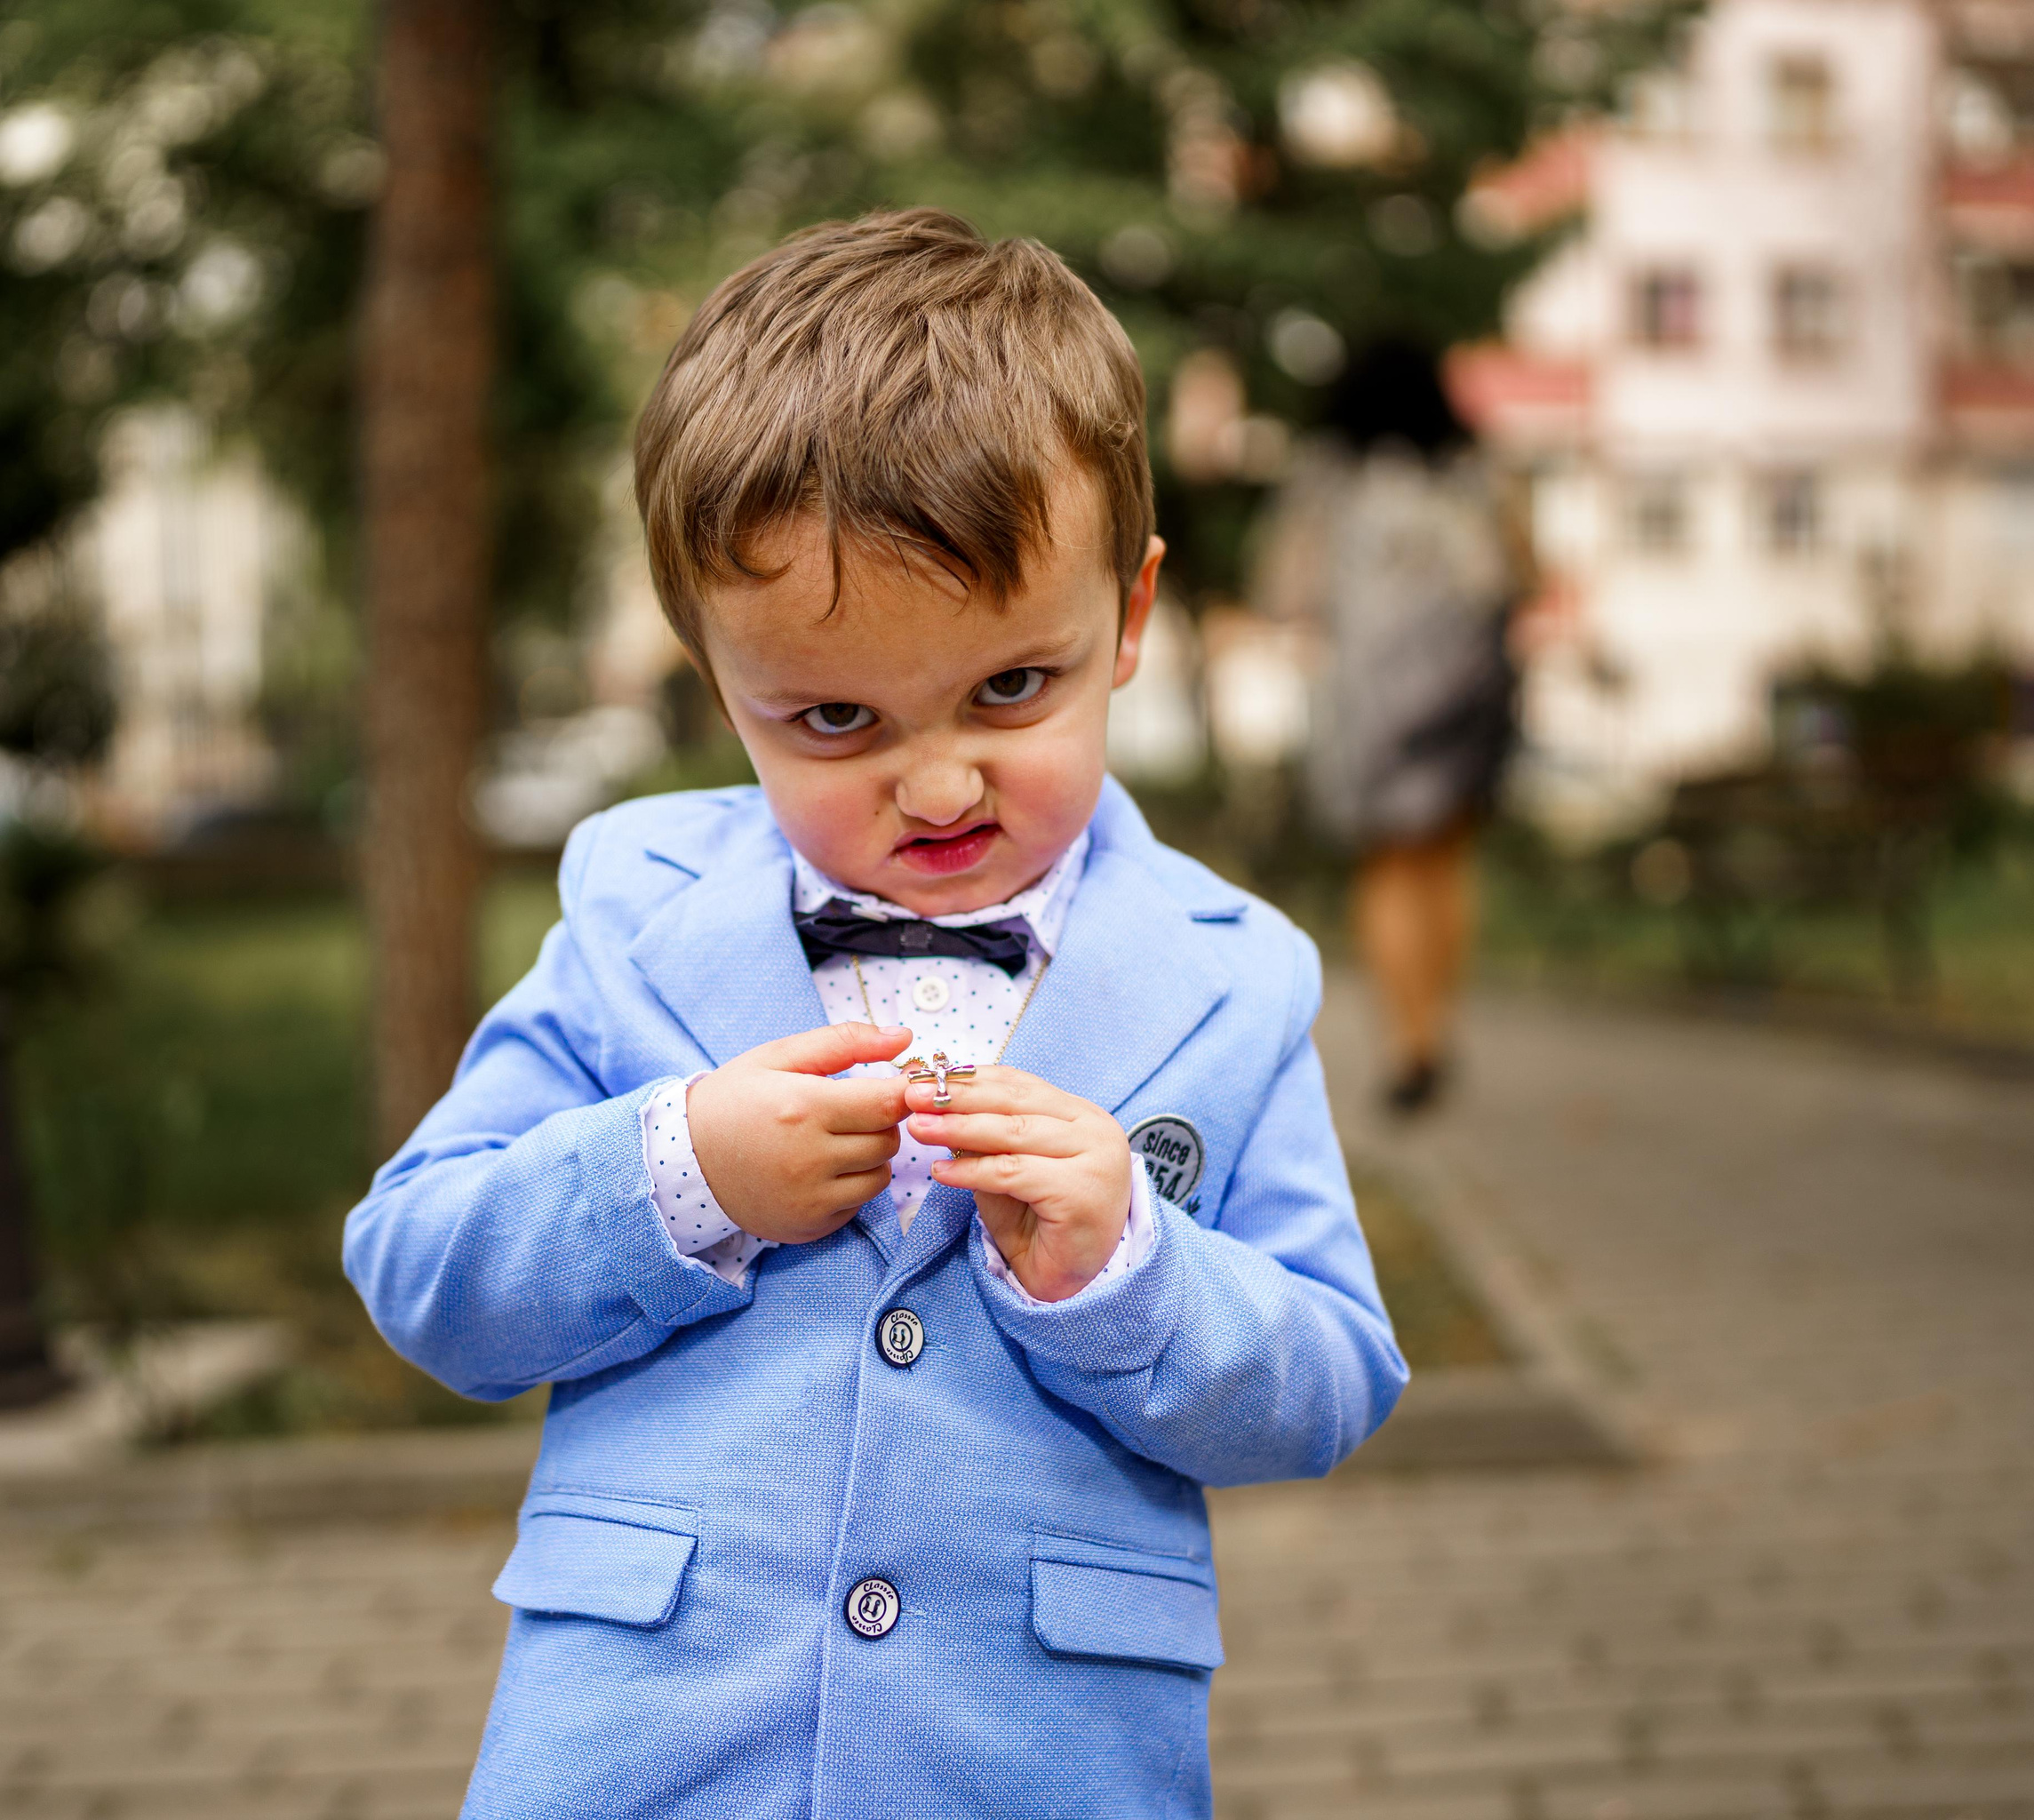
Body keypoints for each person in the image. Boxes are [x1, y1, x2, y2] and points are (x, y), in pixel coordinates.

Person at [344, 210, 1407, 1820]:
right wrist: (677, 1173)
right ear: (718, 677)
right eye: (834, 717)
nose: (936, 779)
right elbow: (421, 1267)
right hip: (644, 1755)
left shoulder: (1235, 974)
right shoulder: (630, 919)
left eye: (1010, 689)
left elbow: (1333, 1376)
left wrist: (1132, 1272)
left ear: (1128, 613)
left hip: (1037, 1765)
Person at [1255, 340, 1530, 1115]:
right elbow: (1521, 572)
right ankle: (1437, 1027)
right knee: (1444, 859)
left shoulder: (1326, 477)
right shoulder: (1475, 470)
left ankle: (1404, 1041)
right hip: (1466, 694)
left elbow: (1285, 588)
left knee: (1386, 866)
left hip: (1367, 701)